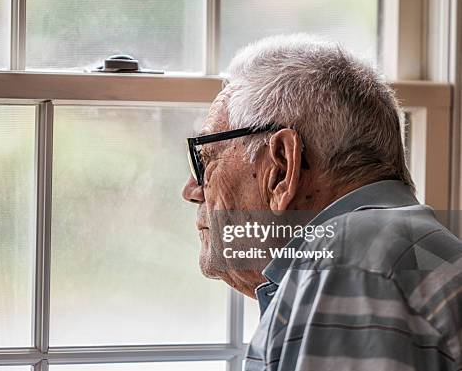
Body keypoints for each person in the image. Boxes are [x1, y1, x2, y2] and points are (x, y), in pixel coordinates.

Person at [182, 35, 462, 371]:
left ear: (282, 167)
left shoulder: (349, 266)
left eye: (206, 159)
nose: (192, 190)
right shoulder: (385, 251)